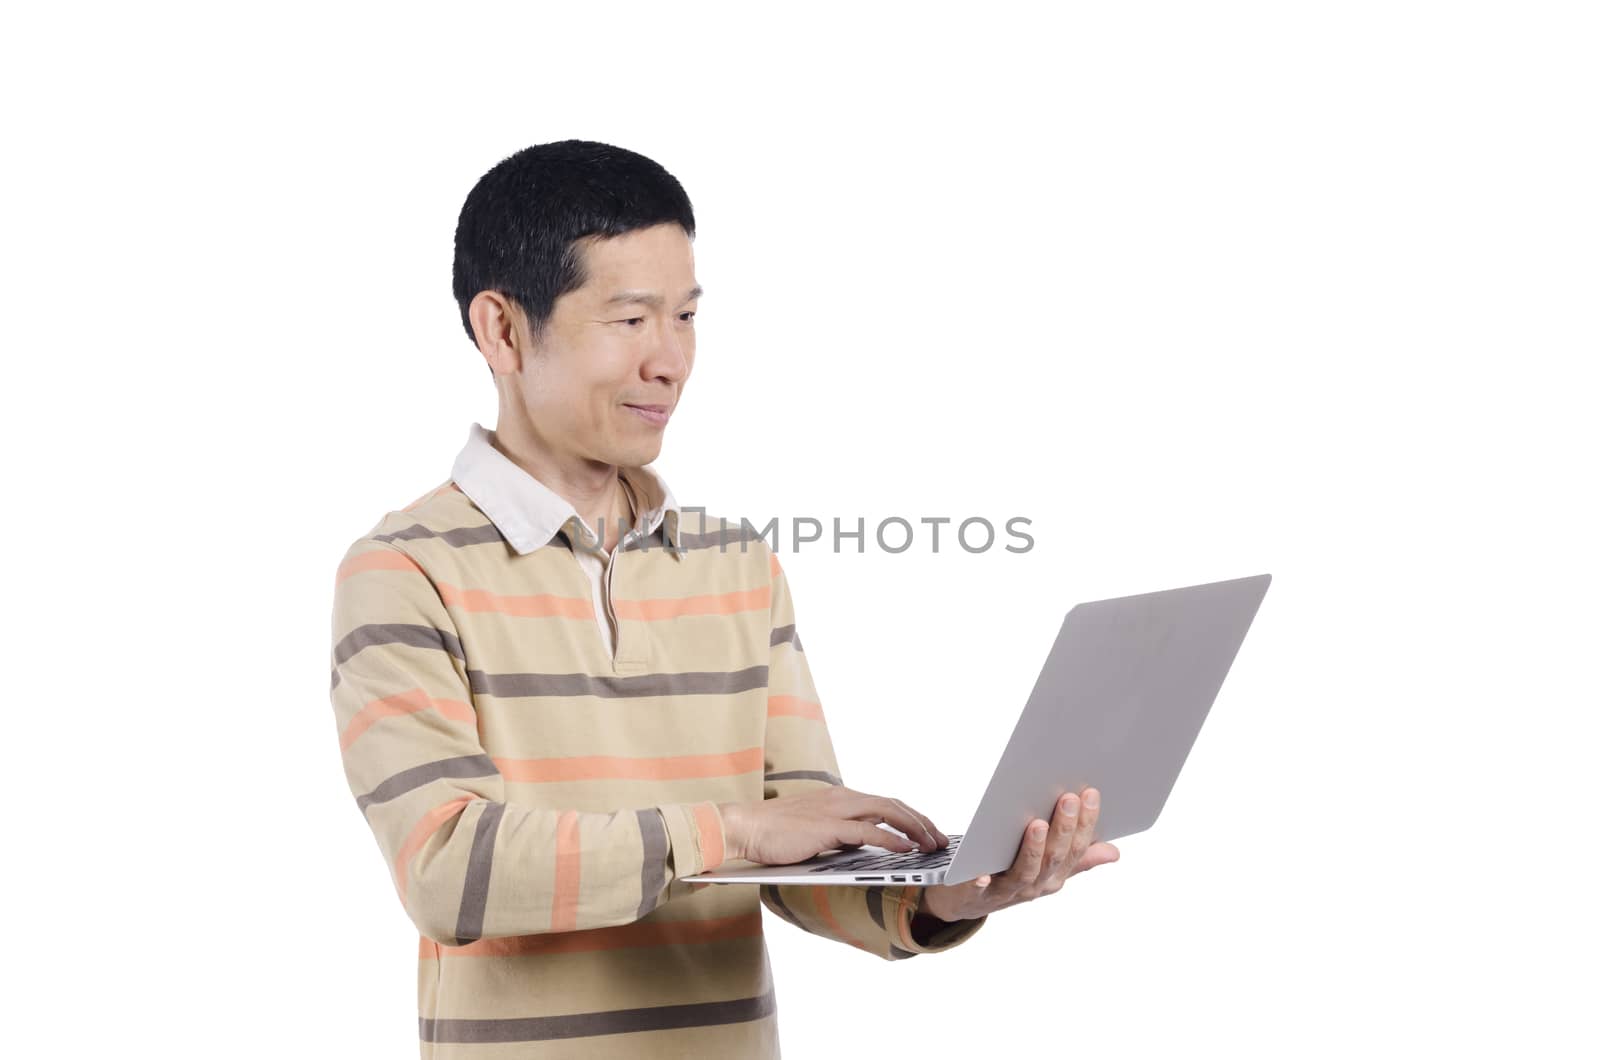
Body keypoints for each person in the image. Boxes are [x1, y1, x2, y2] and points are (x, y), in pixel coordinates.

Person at [327, 139, 1121, 1058]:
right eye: (629, 319)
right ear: (502, 330)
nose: (671, 361)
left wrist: (944, 894)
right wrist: (733, 829)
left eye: (687, 316)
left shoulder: (736, 564)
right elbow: (448, 872)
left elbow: (800, 850)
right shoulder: (402, 570)